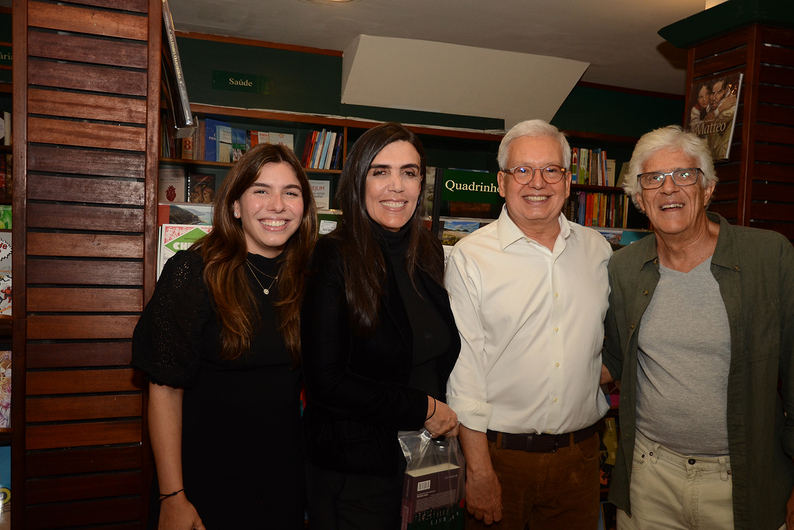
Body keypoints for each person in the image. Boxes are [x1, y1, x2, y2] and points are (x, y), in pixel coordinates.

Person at [602, 125, 794, 530]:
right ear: (640, 199)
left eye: (684, 175)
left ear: (707, 189)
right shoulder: (623, 267)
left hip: (744, 481)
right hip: (649, 479)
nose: (668, 188)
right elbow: (612, 360)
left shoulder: (768, 255)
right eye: (653, 179)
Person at [132, 143, 317, 529]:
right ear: (235, 205)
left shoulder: (310, 280)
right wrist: (172, 496)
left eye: (291, 192)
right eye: (261, 190)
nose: (277, 205)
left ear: (304, 208)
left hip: (282, 484)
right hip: (202, 486)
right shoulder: (193, 272)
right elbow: (164, 391)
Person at [446, 119, 613, 529]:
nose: (537, 182)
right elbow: (464, 376)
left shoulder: (598, 251)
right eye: (522, 170)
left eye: (550, 170)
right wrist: (480, 471)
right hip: (501, 458)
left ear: (568, 181)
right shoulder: (470, 257)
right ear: (502, 182)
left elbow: (612, 341)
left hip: (581, 458)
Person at [301, 122, 461, 529]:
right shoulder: (332, 256)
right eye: (380, 171)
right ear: (358, 181)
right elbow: (326, 382)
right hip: (356, 470)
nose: (396, 186)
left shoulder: (426, 252)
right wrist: (423, 407)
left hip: (422, 461)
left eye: (409, 173)